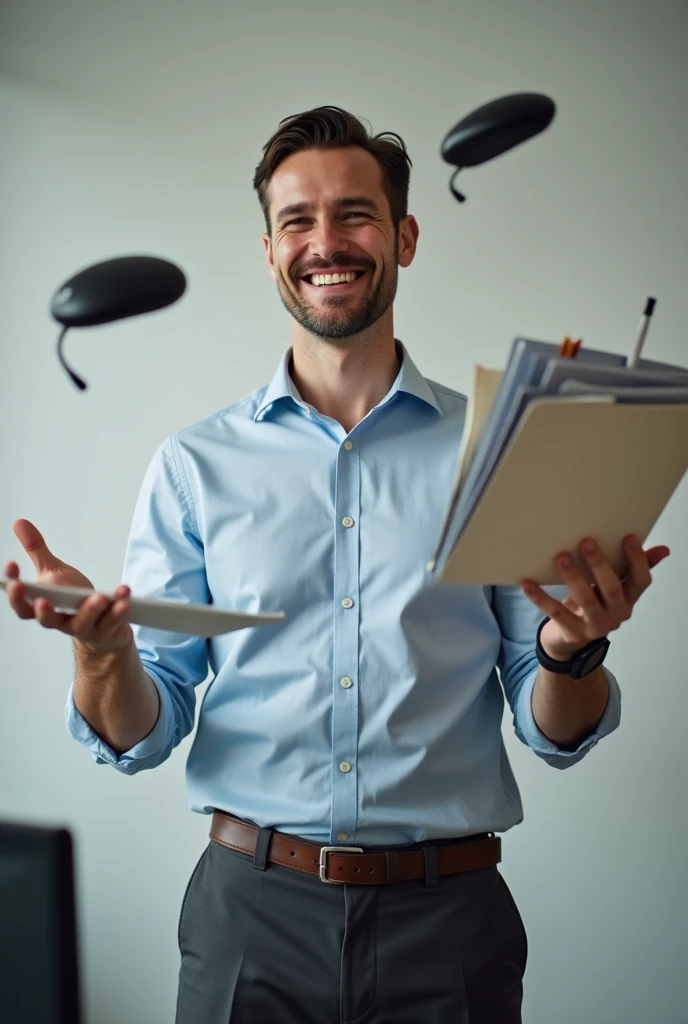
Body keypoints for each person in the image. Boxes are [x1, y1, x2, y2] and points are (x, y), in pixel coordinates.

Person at [4, 106, 670, 1024]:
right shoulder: (195, 466)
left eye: (355, 214)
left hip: (451, 926)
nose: (328, 242)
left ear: (403, 236)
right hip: (249, 917)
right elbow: (142, 731)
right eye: (298, 220)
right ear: (270, 249)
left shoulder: (498, 452)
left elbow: (555, 730)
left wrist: (571, 649)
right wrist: (101, 652)